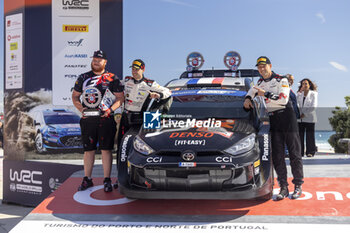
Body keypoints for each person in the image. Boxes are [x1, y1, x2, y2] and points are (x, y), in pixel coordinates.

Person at [243, 56, 304, 200]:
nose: (261, 69)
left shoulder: (281, 79)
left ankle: (298, 185)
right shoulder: (259, 82)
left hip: (287, 117)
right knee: (277, 155)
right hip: (273, 119)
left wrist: (266, 94)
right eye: (259, 67)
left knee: (295, 153)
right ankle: (283, 187)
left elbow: (283, 99)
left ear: (270, 66)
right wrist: (247, 98)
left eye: (264, 66)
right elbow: (251, 92)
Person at [72, 50, 124, 192]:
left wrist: (110, 110)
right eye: (94, 59)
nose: (96, 61)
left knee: (106, 150)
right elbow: (75, 96)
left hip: (106, 120)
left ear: (105, 62)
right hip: (88, 120)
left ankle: (107, 180)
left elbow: (120, 98)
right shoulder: (83, 77)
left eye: (99, 60)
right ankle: (87, 179)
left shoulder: (112, 78)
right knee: (88, 150)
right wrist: (81, 109)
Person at [119, 59, 171, 137]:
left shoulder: (149, 83)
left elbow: (168, 92)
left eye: (137, 69)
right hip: (126, 117)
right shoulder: (126, 80)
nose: (134, 71)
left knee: (139, 141)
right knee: (122, 142)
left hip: (141, 118)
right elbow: (115, 87)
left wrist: (158, 95)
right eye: (132, 69)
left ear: (143, 69)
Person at [297, 78, 318, 157]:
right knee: (299, 136)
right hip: (300, 119)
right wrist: (299, 93)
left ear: (309, 85)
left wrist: (304, 114)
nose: (304, 85)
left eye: (306, 83)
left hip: (310, 117)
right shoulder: (299, 94)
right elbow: (296, 103)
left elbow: (314, 106)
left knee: (310, 136)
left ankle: (310, 152)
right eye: (303, 84)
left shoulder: (313, 93)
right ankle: (300, 152)